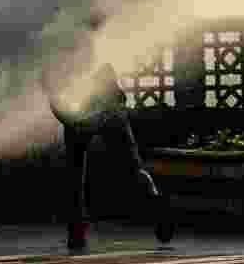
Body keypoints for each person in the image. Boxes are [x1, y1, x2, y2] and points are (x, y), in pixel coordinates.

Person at [47, 39, 174, 251]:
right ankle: (158, 209)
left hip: (100, 111)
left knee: (79, 174)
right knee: (126, 169)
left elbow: (57, 98)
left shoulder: (72, 56)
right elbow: (56, 98)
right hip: (88, 113)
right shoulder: (77, 53)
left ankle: (77, 232)